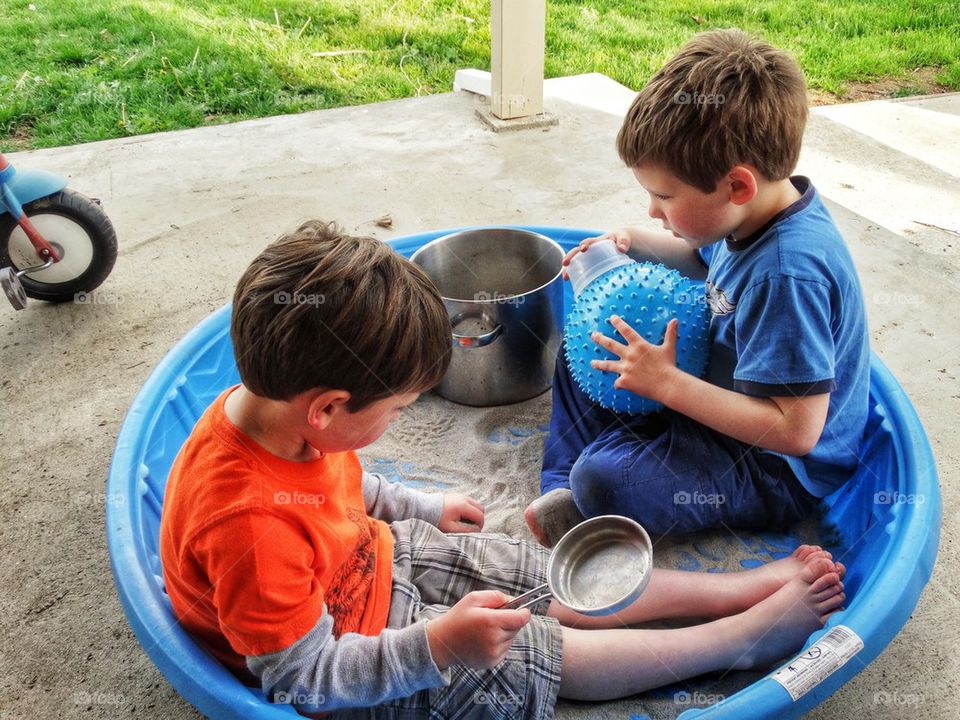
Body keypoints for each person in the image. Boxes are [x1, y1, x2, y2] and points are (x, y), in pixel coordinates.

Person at [160, 220, 846, 718]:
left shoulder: (274, 411)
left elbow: (330, 486)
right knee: (533, 652)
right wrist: (439, 646)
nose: (397, 421)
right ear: (329, 408)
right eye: (398, 411)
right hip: (350, 650)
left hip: (371, 559)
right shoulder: (249, 526)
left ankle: (738, 589)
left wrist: (411, 505)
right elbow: (302, 679)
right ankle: (736, 640)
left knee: (537, 575)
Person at [526, 28, 870, 547]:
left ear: (737, 185)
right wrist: (632, 241)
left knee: (606, 479)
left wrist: (665, 385)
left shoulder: (787, 274)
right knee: (590, 348)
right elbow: (701, 256)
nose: (653, 210)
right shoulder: (750, 213)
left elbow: (796, 431)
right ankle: (564, 488)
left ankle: (589, 481)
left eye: (664, 195)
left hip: (768, 463)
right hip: (710, 389)